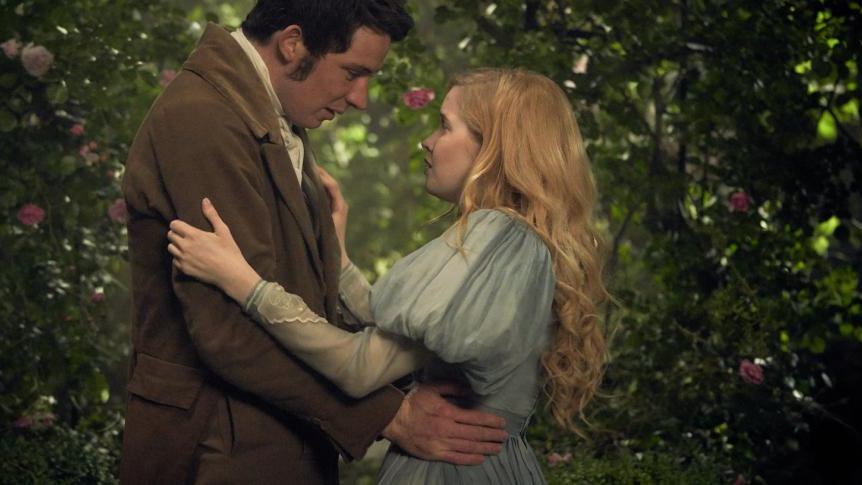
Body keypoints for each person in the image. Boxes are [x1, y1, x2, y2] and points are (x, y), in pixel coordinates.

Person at [119, 2, 509, 483]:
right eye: (352, 72)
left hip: (270, 442)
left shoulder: (270, 110)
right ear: (292, 44)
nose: (361, 98)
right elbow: (228, 330)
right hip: (218, 448)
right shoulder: (204, 118)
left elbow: (299, 295)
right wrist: (390, 416)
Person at [165, 68, 609, 483]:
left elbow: (358, 368)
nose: (428, 142)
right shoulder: (518, 243)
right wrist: (338, 255)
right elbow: (405, 336)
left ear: (493, 149)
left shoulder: (495, 236)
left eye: (444, 126)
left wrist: (243, 282)